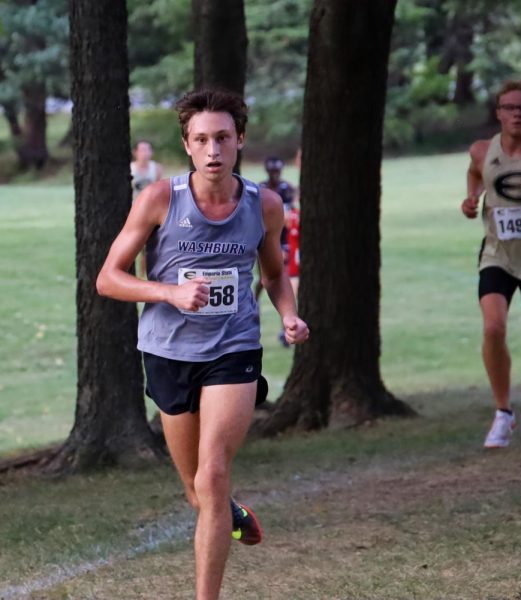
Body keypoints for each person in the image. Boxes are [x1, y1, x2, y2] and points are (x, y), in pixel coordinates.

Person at [97, 89, 309, 599]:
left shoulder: (266, 205)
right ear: (187, 146)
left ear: (239, 141)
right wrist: (168, 291)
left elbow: (275, 275)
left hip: (233, 348)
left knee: (214, 472)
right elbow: (107, 279)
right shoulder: (160, 200)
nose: (213, 149)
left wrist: (288, 315)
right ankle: (230, 512)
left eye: (222, 138)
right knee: (196, 488)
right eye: (201, 140)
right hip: (168, 352)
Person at [461, 78, 521, 449]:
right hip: (497, 255)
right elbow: (475, 173)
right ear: (499, 113)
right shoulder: (483, 150)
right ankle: (503, 414)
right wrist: (471, 197)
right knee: (493, 328)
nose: (518, 114)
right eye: (511, 107)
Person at [255, 156, 299, 346]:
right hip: (265, 240)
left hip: (284, 240)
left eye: (277, 171)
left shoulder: (287, 189)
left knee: (287, 281)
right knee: (265, 280)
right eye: (272, 171)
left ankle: (286, 327)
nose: (275, 175)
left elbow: (291, 215)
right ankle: (253, 305)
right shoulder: (260, 189)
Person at [131, 140, 164, 277]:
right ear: (135, 152)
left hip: (150, 214)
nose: (145, 153)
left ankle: (143, 276)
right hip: (133, 212)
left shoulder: (155, 168)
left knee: (148, 247)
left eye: (148, 150)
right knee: (134, 246)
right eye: (142, 150)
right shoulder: (131, 168)